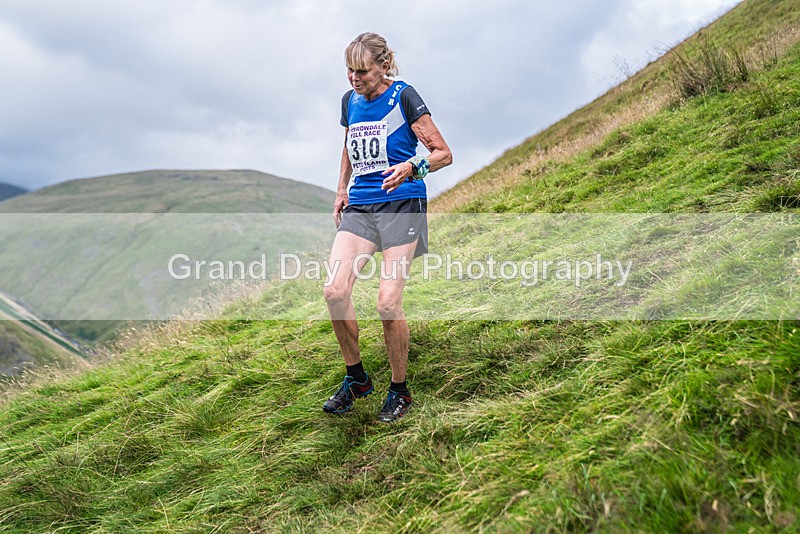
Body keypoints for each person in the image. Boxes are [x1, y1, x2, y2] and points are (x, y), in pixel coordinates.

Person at [322, 32, 452, 422]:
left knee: (387, 303)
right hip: (361, 205)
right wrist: (341, 189)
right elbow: (349, 145)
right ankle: (357, 379)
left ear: (383, 66)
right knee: (334, 291)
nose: (354, 78)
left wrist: (412, 166)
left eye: (362, 71)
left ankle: (400, 391)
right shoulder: (349, 101)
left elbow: (443, 153)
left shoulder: (404, 96)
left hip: (402, 204)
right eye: (349, 70)